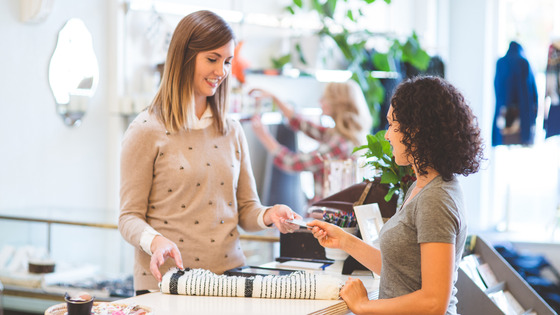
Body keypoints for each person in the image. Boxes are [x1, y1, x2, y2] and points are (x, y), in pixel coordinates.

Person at [118, 10, 301, 294]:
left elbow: (246, 210)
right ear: (184, 57)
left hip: (227, 282)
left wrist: (270, 215)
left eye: (227, 61)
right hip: (167, 285)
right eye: (212, 59)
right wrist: (156, 241)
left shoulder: (231, 130)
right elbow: (128, 217)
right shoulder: (146, 129)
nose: (222, 71)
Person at [309, 76, 484, 314]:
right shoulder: (422, 185)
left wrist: (364, 306)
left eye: (393, 125)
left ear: (417, 130)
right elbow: (401, 271)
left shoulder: (436, 198)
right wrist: (345, 240)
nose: (388, 135)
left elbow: (434, 302)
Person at [250, 80, 372, 204]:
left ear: (337, 104)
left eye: (325, 98)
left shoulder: (339, 144)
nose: (320, 101)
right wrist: (275, 98)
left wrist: (263, 135)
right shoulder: (343, 136)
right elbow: (304, 124)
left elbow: (292, 162)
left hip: (325, 213)